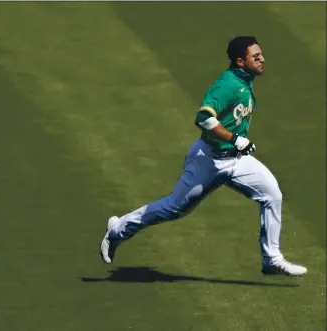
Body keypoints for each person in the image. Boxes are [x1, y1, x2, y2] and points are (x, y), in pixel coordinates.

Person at [100, 36, 307, 276]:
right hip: (209, 159)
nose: (262, 59)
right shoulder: (228, 84)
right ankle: (117, 230)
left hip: (237, 160)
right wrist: (234, 138)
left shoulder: (245, 81)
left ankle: (271, 259)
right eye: (256, 56)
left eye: (261, 54)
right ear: (240, 61)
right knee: (173, 208)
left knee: (272, 195)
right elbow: (203, 118)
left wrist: (236, 143)